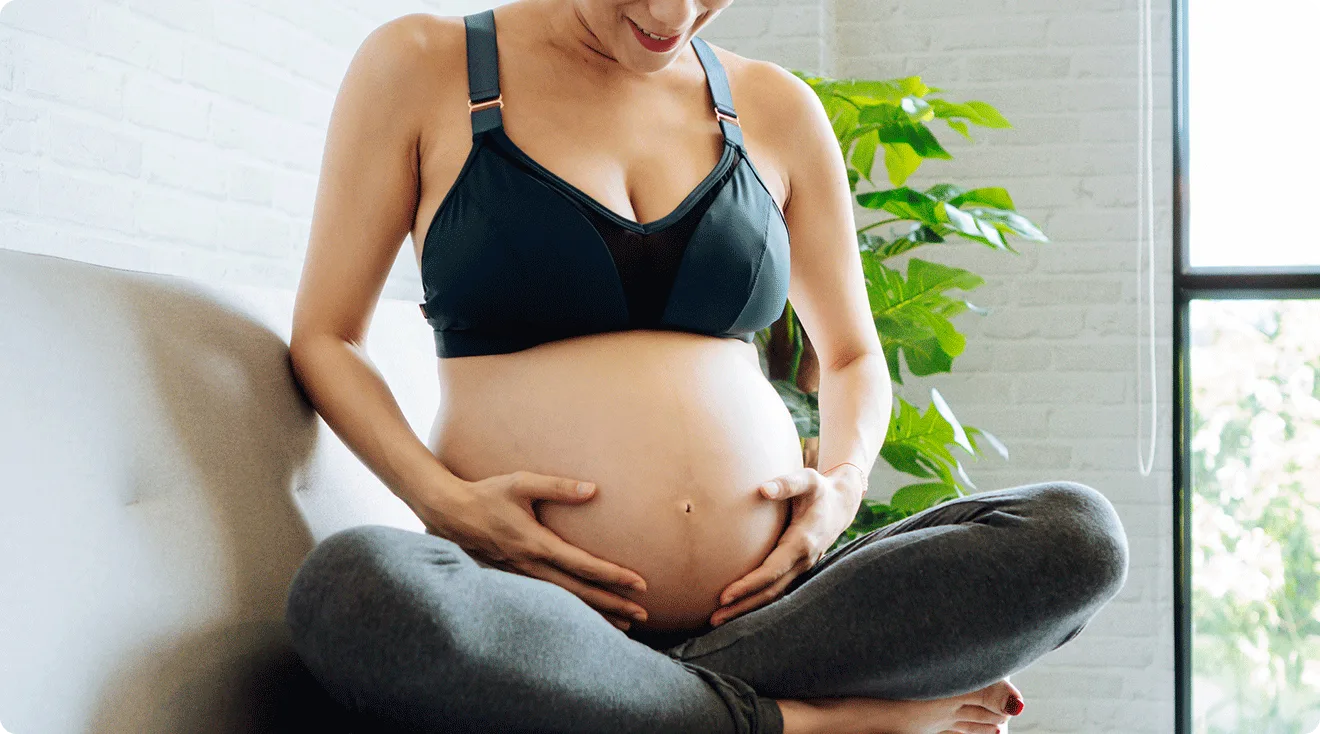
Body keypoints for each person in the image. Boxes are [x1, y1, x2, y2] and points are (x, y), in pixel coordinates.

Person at [283, 0, 1131, 731]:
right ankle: (806, 720)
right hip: (533, 612)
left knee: (1078, 536)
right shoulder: (425, 65)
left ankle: (640, 702)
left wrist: (840, 489)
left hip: (781, 616)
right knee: (351, 593)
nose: (672, 16)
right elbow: (328, 336)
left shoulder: (775, 108)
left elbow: (850, 354)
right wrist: (445, 502)